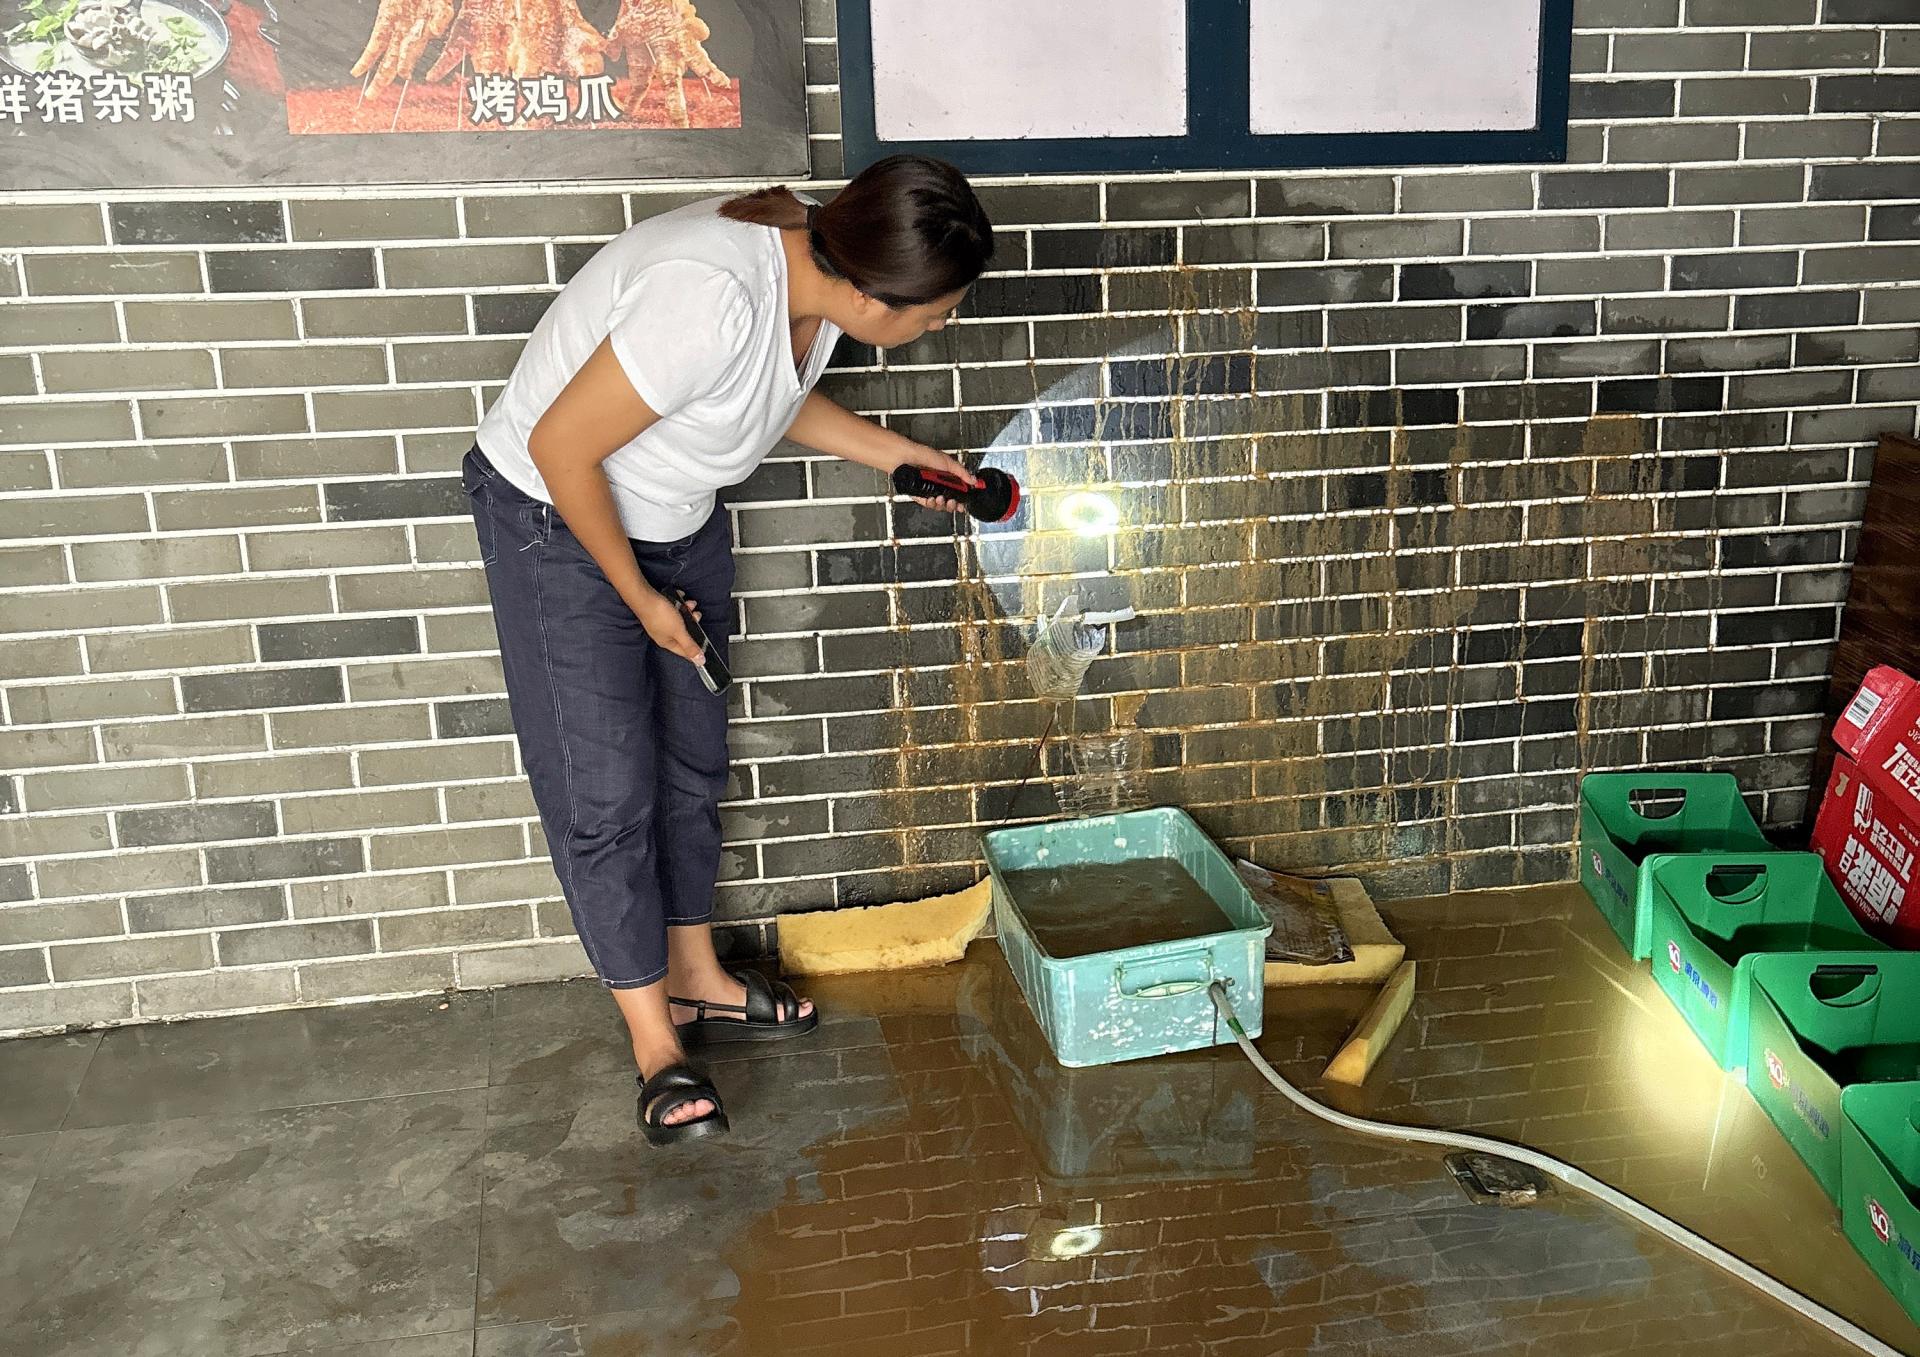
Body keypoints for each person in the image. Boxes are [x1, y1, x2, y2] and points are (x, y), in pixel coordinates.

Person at [462, 155, 995, 1146]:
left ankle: (697, 977)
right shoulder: (709, 299)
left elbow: (762, 397)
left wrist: (900, 457)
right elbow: (561, 447)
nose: (941, 325)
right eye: (937, 313)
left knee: (691, 760)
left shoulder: (821, 269)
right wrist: (640, 600)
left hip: (674, 516)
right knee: (606, 789)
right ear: (872, 296)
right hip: (556, 522)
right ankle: (655, 1043)